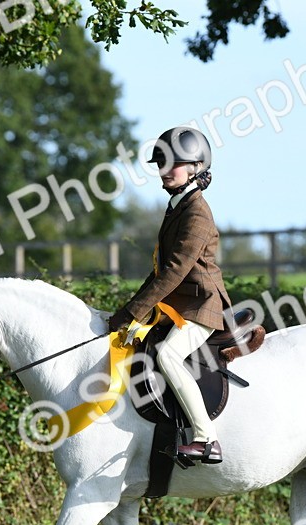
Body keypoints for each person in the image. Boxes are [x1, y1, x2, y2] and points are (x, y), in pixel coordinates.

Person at [108, 127, 231, 464]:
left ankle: (207, 440)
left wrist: (132, 312)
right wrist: (130, 309)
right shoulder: (177, 206)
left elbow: (175, 270)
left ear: (195, 167)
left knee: (168, 356)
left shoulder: (197, 212)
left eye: (172, 163)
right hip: (180, 305)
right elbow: (160, 271)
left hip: (201, 305)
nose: (164, 170)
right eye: (160, 163)